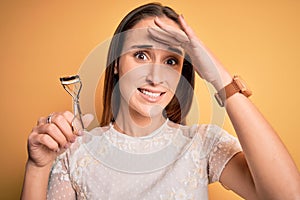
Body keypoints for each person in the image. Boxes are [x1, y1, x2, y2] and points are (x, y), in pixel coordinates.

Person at [21, 2, 300, 200]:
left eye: (171, 61)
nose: (155, 76)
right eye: (141, 55)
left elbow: (287, 195)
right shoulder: (75, 152)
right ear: (116, 63)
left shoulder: (202, 144)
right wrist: (37, 167)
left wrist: (218, 76)